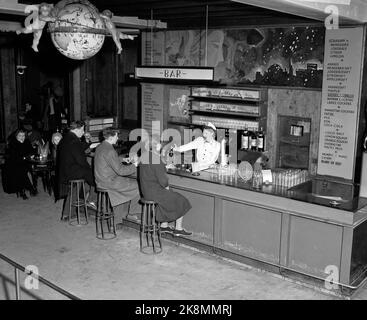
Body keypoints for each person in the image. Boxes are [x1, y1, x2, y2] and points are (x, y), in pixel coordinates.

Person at [139, 135, 192, 236]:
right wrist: (168, 189)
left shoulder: (144, 156)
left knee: (167, 198)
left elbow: (152, 171)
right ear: (157, 146)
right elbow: (163, 181)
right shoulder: (156, 159)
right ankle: (178, 229)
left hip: (146, 191)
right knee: (180, 199)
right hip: (154, 193)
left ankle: (164, 226)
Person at [94, 128, 141, 224]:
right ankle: (132, 213)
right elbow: (121, 171)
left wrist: (123, 160)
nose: (118, 138)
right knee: (139, 186)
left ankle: (117, 221)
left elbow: (108, 160)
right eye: (116, 136)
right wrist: (135, 164)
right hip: (110, 182)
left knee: (122, 190)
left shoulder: (101, 146)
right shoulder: (110, 150)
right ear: (111, 137)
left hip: (100, 180)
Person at [57, 121, 97, 220]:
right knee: (97, 178)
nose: (83, 132)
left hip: (65, 170)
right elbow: (80, 160)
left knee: (79, 187)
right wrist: (89, 169)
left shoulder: (66, 138)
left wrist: (88, 144)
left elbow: (78, 148)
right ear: (76, 129)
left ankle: (68, 213)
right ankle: (91, 201)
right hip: (73, 172)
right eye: (82, 129)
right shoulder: (74, 141)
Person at [2, 129, 37, 199]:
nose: (22, 137)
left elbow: (32, 151)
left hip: (26, 162)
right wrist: (25, 157)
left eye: (23, 135)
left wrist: (31, 155)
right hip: (13, 163)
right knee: (20, 171)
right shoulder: (13, 143)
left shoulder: (27, 142)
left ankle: (24, 190)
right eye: (20, 136)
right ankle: (27, 189)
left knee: (25, 169)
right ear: (16, 136)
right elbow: (13, 157)